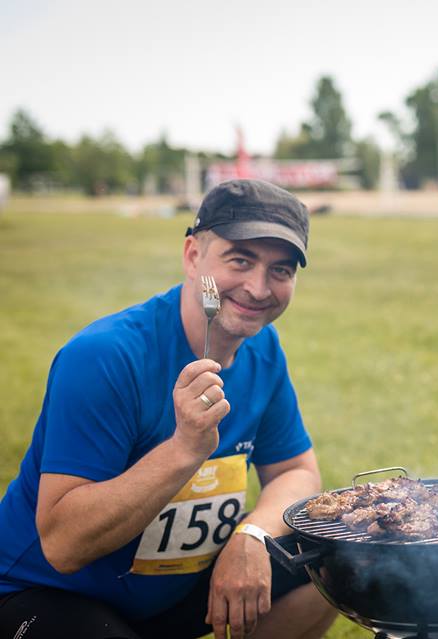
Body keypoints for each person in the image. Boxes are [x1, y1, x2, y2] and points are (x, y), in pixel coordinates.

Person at [0, 179, 338, 639]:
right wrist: (184, 449)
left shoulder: (262, 350)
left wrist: (251, 536)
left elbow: (297, 472)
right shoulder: (105, 356)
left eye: (280, 270)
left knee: (336, 568)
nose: (259, 288)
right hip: (50, 590)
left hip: (173, 590)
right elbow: (63, 544)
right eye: (240, 260)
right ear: (193, 256)